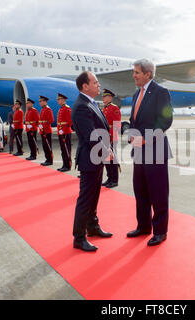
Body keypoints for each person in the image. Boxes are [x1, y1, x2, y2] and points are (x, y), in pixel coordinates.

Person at [127, 58, 173, 247]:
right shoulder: (137, 93)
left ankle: (160, 231)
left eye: (137, 72)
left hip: (155, 149)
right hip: (139, 150)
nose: (134, 75)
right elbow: (133, 119)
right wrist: (131, 134)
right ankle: (143, 226)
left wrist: (146, 138)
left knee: (158, 192)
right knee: (141, 190)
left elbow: (166, 120)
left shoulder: (160, 92)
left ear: (147, 74)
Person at [71, 71, 113, 252]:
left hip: (97, 157)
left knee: (94, 195)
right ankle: (79, 238)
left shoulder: (91, 103)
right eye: (95, 83)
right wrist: (105, 151)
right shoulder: (81, 106)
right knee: (86, 198)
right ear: (85, 86)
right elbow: (90, 136)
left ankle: (93, 227)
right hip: (90, 158)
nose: (99, 85)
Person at [101, 88, 122, 188]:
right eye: (103, 96)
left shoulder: (114, 108)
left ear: (110, 97)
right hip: (105, 137)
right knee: (106, 159)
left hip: (111, 137)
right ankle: (109, 178)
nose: (103, 98)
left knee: (112, 160)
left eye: (105, 96)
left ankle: (114, 180)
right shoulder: (104, 108)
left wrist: (110, 137)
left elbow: (117, 125)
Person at [56, 93, 72, 172]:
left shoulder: (67, 108)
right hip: (61, 131)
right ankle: (64, 164)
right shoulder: (61, 109)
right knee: (63, 150)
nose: (58, 101)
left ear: (63, 100)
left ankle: (68, 165)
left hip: (65, 132)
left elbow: (70, 122)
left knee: (66, 149)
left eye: (59, 99)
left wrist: (64, 130)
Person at [38, 96, 54, 166]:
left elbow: (51, 120)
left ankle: (50, 160)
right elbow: (40, 120)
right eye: (40, 101)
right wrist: (40, 126)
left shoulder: (48, 109)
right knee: (44, 146)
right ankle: (47, 159)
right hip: (43, 130)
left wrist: (44, 128)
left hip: (47, 131)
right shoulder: (42, 110)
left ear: (45, 102)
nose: (40, 103)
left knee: (48, 146)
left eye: (41, 101)